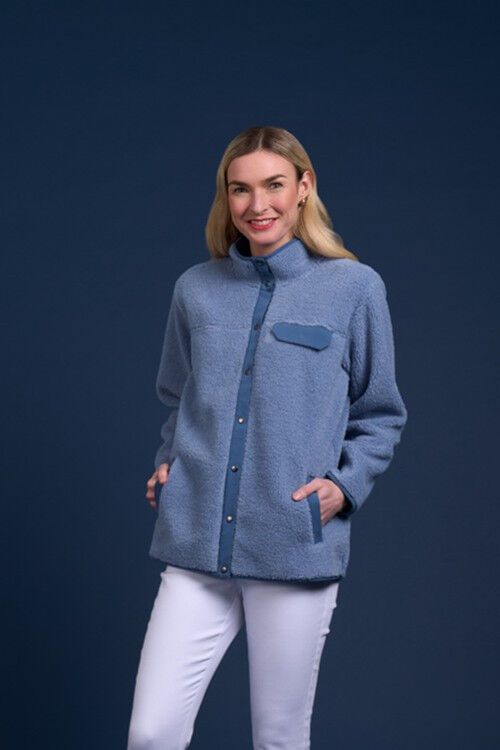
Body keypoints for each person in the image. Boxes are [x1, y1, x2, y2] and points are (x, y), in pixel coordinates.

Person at [126, 125, 408, 749]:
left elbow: (381, 412)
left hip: (290, 544)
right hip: (196, 540)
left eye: (274, 185)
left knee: (278, 738)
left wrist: (343, 487)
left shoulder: (354, 289)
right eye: (240, 189)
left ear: (304, 187)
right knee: (151, 733)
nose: (258, 205)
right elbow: (179, 395)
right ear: (225, 197)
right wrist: (169, 461)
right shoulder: (195, 290)